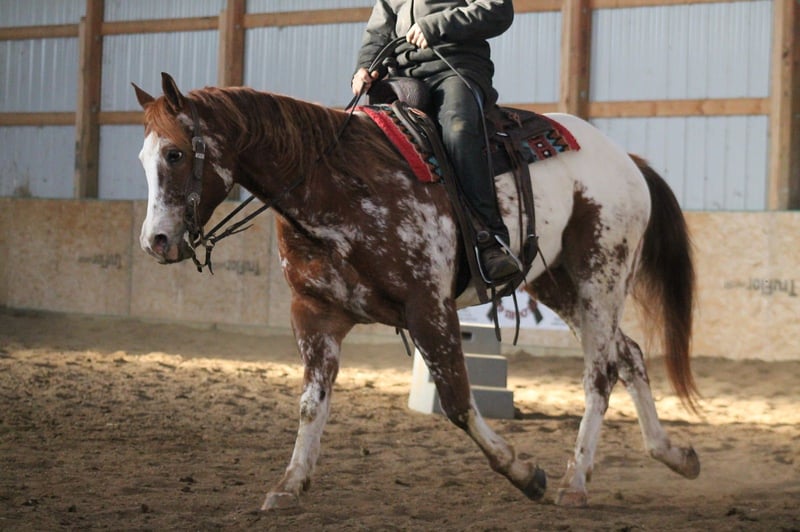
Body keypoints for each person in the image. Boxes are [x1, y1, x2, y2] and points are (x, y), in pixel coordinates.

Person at [351, 0, 520, 282]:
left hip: (455, 67)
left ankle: (489, 240)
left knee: (458, 130)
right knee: (360, 138)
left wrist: (437, 25)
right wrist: (365, 67)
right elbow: (378, 32)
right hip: (400, 76)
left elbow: (497, 10)